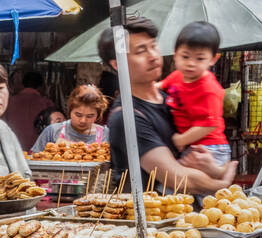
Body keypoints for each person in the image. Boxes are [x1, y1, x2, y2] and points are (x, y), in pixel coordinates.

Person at [98, 16, 234, 194]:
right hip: (150, 217)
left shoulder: (170, 97)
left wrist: (212, 166)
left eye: (153, 46)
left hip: (186, 215)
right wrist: (223, 183)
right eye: (141, 51)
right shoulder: (127, 118)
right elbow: (176, 178)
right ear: (118, 64)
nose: (153, 56)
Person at [161, 21, 230, 166]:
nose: (191, 63)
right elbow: (157, 87)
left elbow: (208, 125)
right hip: (191, 145)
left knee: (178, 184)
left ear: (213, 59)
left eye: (199, 58)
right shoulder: (177, 76)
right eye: (185, 56)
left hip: (210, 148)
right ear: (175, 54)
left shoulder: (209, 89)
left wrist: (181, 140)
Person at [31, 85, 108, 152]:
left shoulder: (105, 134)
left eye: (90, 116)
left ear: (98, 115)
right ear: (70, 111)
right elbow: (35, 158)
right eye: (78, 115)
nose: (83, 120)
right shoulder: (52, 131)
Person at [2, 70, 57, 150]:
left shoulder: (8, 102)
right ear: (41, 86)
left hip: (13, 147)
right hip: (39, 150)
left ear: (23, 84)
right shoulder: (47, 103)